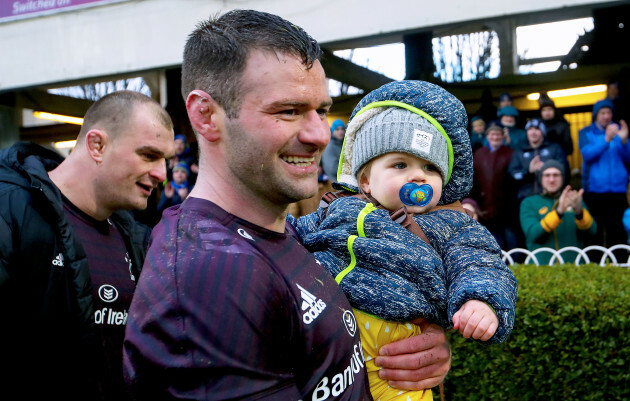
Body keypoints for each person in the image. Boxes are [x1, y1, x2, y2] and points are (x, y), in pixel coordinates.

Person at [123, 10, 451, 400]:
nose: (318, 134)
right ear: (206, 115)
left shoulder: (287, 233)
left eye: (323, 111)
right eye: (289, 111)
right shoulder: (212, 273)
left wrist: (418, 348)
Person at [293, 80, 517, 401]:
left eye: (430, 167)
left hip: (396, 348)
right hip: (327, 336)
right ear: (366, 181)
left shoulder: (449, 225)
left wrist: (481, 301)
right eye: (400, 165)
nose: (418, 176)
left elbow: (480, 262)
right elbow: (290, 236)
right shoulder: (338, 207)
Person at [0, 90, 175, 401]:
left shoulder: (138, 238)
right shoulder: (12, 213)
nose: (162, 173)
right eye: (149, 155)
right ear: (97, 145)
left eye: (166, 160)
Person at [520, 160, 597, 265]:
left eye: (556, 175)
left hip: (573, 267)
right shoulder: (529, 202)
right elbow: (532, 234)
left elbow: (592, 231)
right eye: (547, 175)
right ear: (540, 179)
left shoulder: (573, 199)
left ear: (563, 178)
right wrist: (558, 212)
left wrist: (579, 212)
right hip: (541, 268)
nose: (552, 179)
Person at [579, 98, 630, 252]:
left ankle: (619, 265)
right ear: (596, 115)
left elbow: (628, 159)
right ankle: (595, 265)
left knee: (618, 232)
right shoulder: (586, 132)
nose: (606, 116)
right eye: (602, 113)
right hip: (594, 191)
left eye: (608, 112)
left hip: (618, 192)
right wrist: (607, 139)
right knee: (596, 232)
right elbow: (588, 154)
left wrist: (624, 141)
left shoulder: (619, 133)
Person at [471, 124, 519, 250]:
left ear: (503, 137)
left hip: (508, 206)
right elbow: (474, 179)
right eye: (492, 134)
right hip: (485, 205)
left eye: (498, 134)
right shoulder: (479, 154)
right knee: (494, 242)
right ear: (487, 136)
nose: (495, 137)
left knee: (511, 241)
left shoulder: (510, 153)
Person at [508, 118, 568, 203]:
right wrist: (528, 172)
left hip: (551, 197)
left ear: (543, 132)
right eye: (530, 129)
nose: (533, 132)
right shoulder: (519, 151)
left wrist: (546, 169)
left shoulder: (555, 148)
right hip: (525, 198)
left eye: (537, 129)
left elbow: (564, 171)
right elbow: (512, 176)